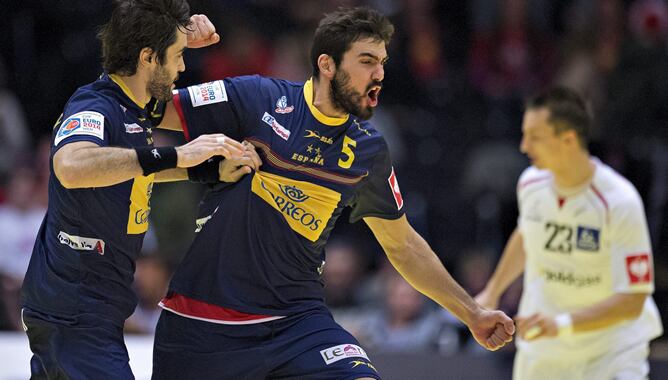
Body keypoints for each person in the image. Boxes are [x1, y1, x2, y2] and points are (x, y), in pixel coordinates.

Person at [152, 7, 515, 379]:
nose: (379, 74)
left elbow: (402, 244)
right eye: (367, 61)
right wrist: (168, 46)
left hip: (297, 323)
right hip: (202, 322)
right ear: (327, 64)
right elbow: (146, 107)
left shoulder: (368, 149)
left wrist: (473, 313)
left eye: (382, 62)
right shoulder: (256, 97)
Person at [19, 1, 253, 378]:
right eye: (177, 56)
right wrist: (178, 155)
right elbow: (71, 166)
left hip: (92, 306)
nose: (182, 67)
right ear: (148, 57)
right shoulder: (94, 105)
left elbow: (128, 169)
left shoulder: (136, 108)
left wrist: (204, 172)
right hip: (75, 310)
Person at [475, 87, 663, 379]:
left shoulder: (619, 201)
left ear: (568, 140)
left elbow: (634, 299)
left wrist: (563, 323)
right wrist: (493, 290)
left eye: (535, 137)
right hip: (544, 351)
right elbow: (527, 236)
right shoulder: (530, 184)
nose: (524, 146)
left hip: (611, 352)